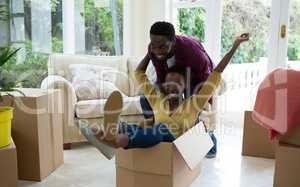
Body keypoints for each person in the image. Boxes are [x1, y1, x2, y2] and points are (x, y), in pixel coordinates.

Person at [78, 33, 249, 159]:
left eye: (177, 83)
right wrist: (151, 51)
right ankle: (107, 137)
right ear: (164, 86)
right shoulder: (157, 98)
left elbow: (216, 73)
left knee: (159, 131)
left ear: (184, 87)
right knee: (133, 127)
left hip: (175, 140)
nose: (172, 86)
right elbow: (139, 73)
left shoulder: (194, 103)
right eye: (169, 83)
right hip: (152, 137)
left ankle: (116, 141)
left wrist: (234, 46)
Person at [141, 21, 217, 157]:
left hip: (198, 77)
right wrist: (162, 95)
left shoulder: (190, 50)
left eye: (162, 46)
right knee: (146, 99)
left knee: (191, 113)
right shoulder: (153, 50)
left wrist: (205, 99)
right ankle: (160, 131)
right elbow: (160, 73)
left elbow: (205, 73)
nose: (157, 50)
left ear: (173, 41)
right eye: (154, 45)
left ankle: (209, 140)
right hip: (176, 77)